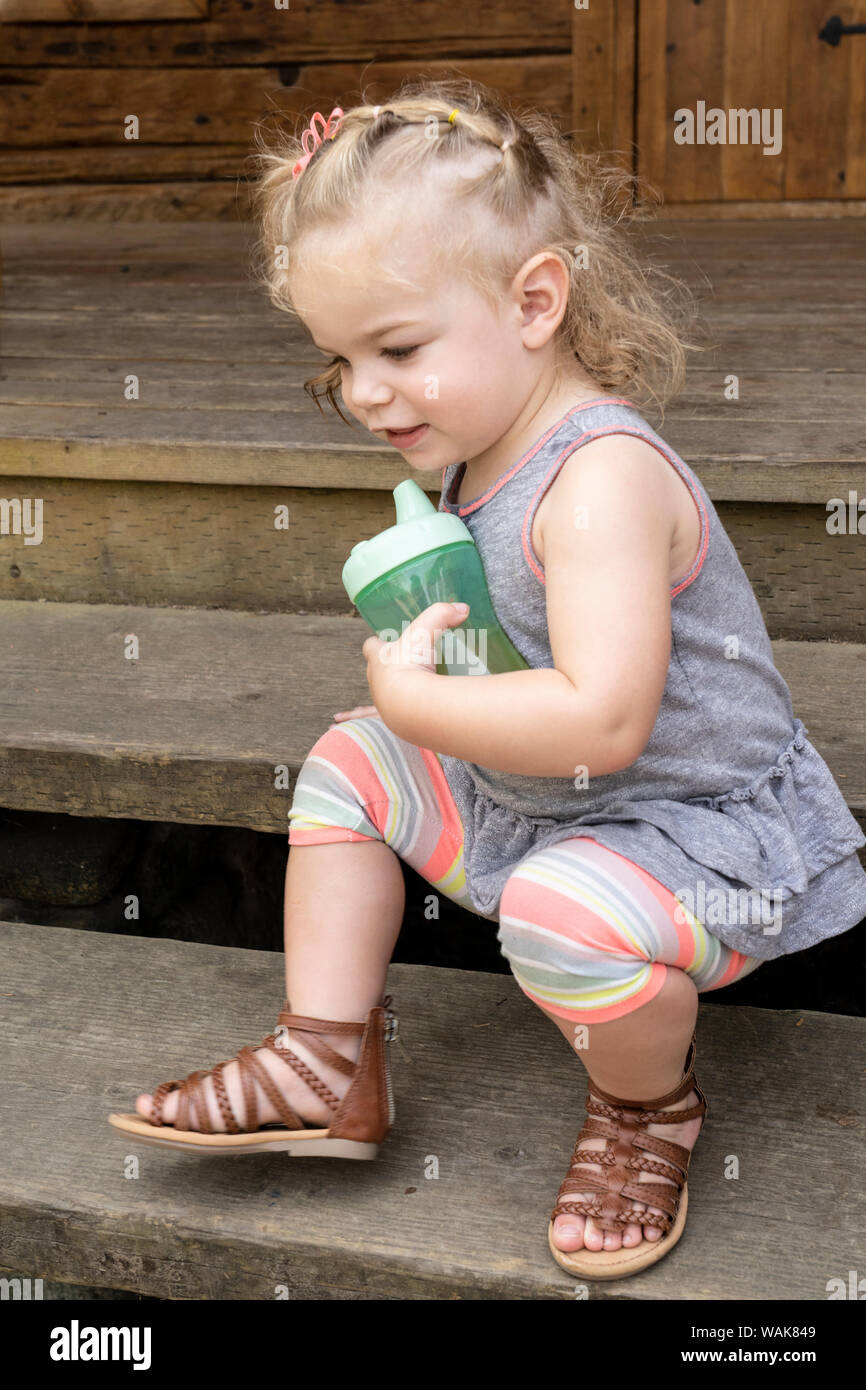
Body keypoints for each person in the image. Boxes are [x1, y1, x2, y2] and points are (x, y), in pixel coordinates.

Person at [108, 77, 866, 1281]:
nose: (361, 393)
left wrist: (427, 699)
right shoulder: (478, 453)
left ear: (533, 300)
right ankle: (328, 1055)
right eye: (339, 360)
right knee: (352, 759)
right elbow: (516, 675)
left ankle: (647, 1111)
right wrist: (422, 668)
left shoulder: (599, 477)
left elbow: (606, 718)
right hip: (550, 806)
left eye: (396, 349)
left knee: (555, 908)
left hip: (690, 830)